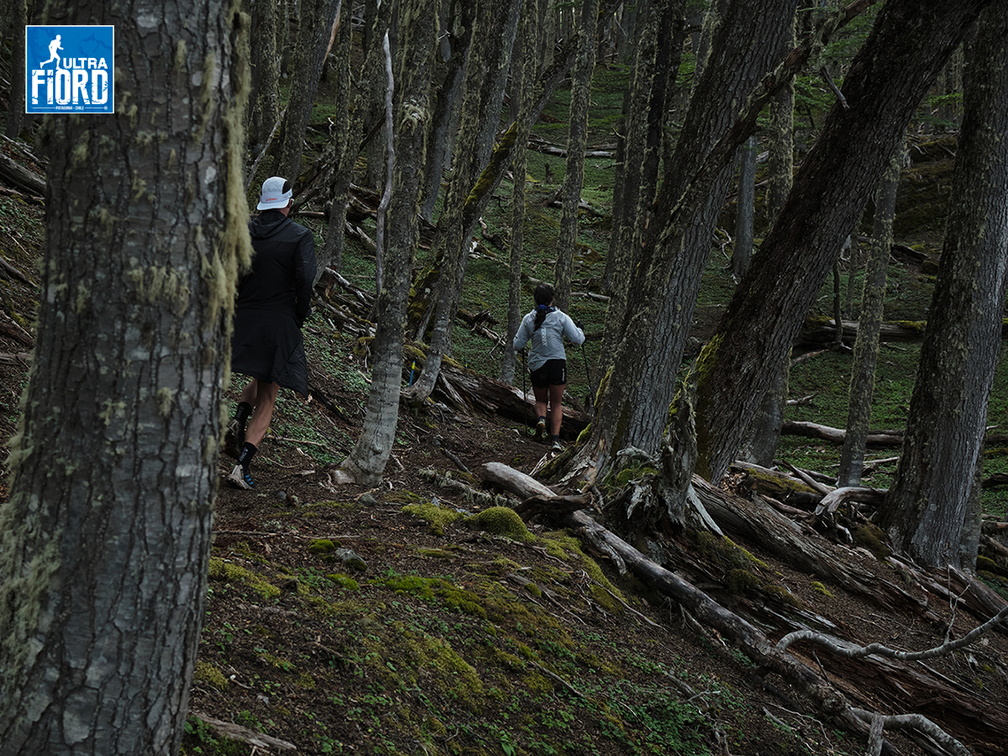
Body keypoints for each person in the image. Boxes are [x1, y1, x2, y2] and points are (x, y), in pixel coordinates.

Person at [226, 176, 317, 489]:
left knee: (263, 374)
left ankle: (238, 418)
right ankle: (242, 467)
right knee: (269, 394)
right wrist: (299, 314)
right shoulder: (299, 236)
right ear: (288, 203)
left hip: (243, 316)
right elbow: (305, 280)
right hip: (278, 320)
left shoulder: (245, 232)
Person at [512, 283, 585, 451]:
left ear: (535, 300)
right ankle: (555, 440)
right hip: (557, 362)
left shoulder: (529, 318)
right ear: (552, 298)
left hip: (538, 364)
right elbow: (577, 339)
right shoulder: (561, 317)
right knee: (557, 403)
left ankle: (541, 420)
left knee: (541, 400)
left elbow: (517, 344)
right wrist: (581, 330)